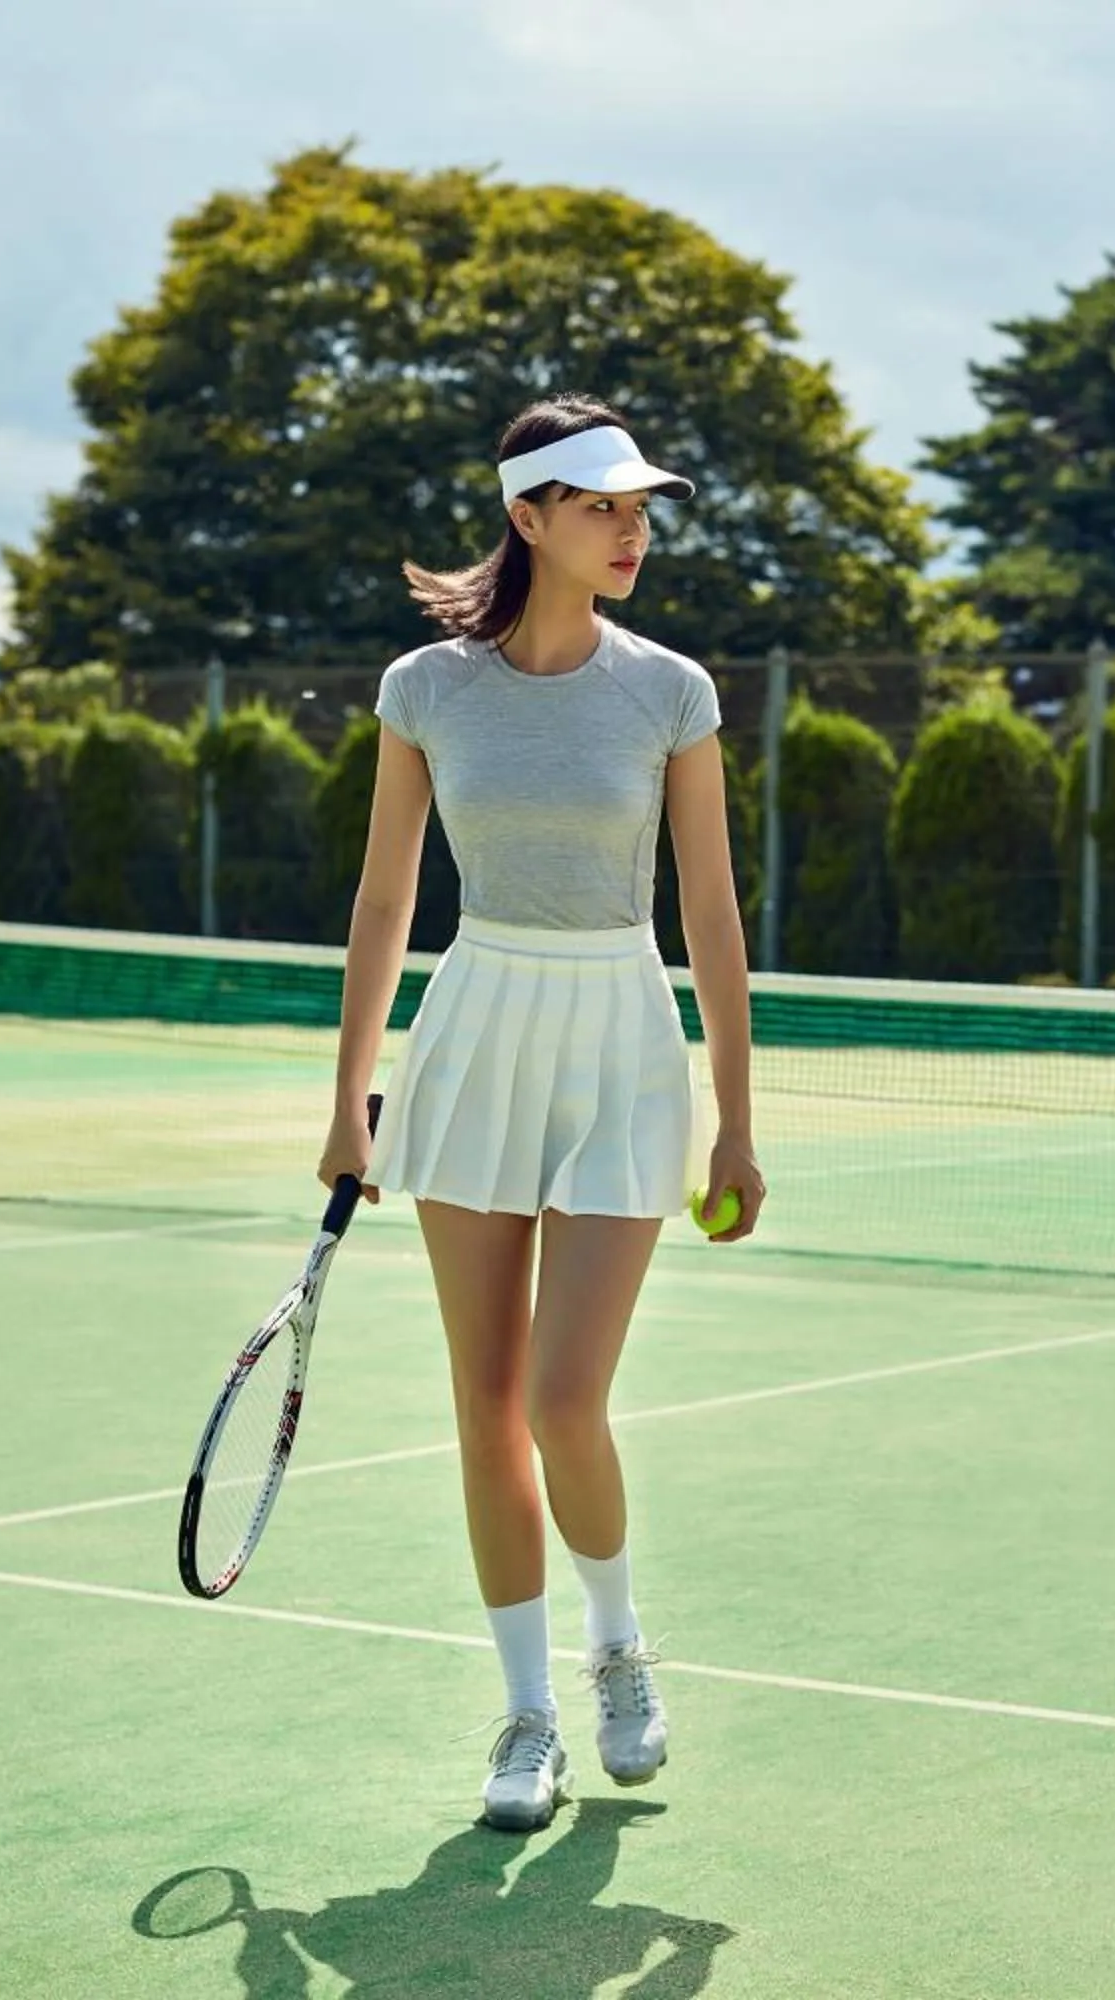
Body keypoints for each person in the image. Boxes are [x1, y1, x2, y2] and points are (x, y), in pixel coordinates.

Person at [320, 397, 766, 1834]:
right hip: (477, 1033)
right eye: (601, 506)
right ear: (528, 519)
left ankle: (619, 1651)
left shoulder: (673, 692)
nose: (632, 529)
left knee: (570, 1400)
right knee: (488, 1409)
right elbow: (386, 899)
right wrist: (346, 1102)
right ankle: (525, 1718)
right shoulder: (425, 691)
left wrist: (737, 1124)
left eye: (641, 506)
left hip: (623, 1039)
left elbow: (711, 912)